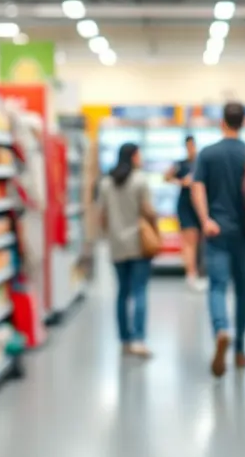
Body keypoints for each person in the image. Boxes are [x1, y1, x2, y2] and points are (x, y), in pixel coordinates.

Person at [191, 102, 245, 377]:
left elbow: (197, 187)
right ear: (244, 122)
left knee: (217, 286)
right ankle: (239, 350)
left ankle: (221, 329)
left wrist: (205, 220)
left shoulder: (208, 154)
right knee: (242, 289)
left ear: (222, 122)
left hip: (217, 231)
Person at [99, 142, 159, 358]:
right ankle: (139, 339)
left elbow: (102, 216)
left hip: (116, 245)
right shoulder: (140, 181)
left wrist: (109, 235)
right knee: (140, 290)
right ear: (134, 157)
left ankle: (124, 340)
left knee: (122, 293)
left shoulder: (106, 183)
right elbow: (149, 211)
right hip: (138, 244)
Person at [165, 135, 206, 291]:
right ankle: (191, 274)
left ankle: (200, 272)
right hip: (186, 205)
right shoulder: (180, 164)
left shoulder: (201, 163)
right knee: (189, 240)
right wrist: (181, 182)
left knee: (201, 242)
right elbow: (166, 177)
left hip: (199, 205)